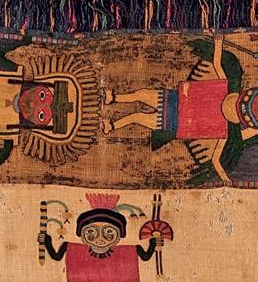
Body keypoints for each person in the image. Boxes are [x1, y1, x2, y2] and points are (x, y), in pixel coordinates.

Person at [101, 35, 258, 185]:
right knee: (142, 94)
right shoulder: (227, 86)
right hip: (173, 99)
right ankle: (113, 98)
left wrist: (225, 179)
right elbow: (217, 63)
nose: (230, 106)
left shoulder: (227, 129)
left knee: (137, 116)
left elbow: (216, 159)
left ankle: (111, 126)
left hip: (173, 123)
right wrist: (218, 43)